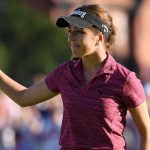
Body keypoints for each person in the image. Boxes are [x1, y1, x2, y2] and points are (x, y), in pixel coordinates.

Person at [0, 4, 150, 150]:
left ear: (98, 37)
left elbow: (146, 132)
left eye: (79, 31)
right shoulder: (65, 72)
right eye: (70, 31)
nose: (71, 37)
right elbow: (24, 97)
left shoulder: (124, 79)